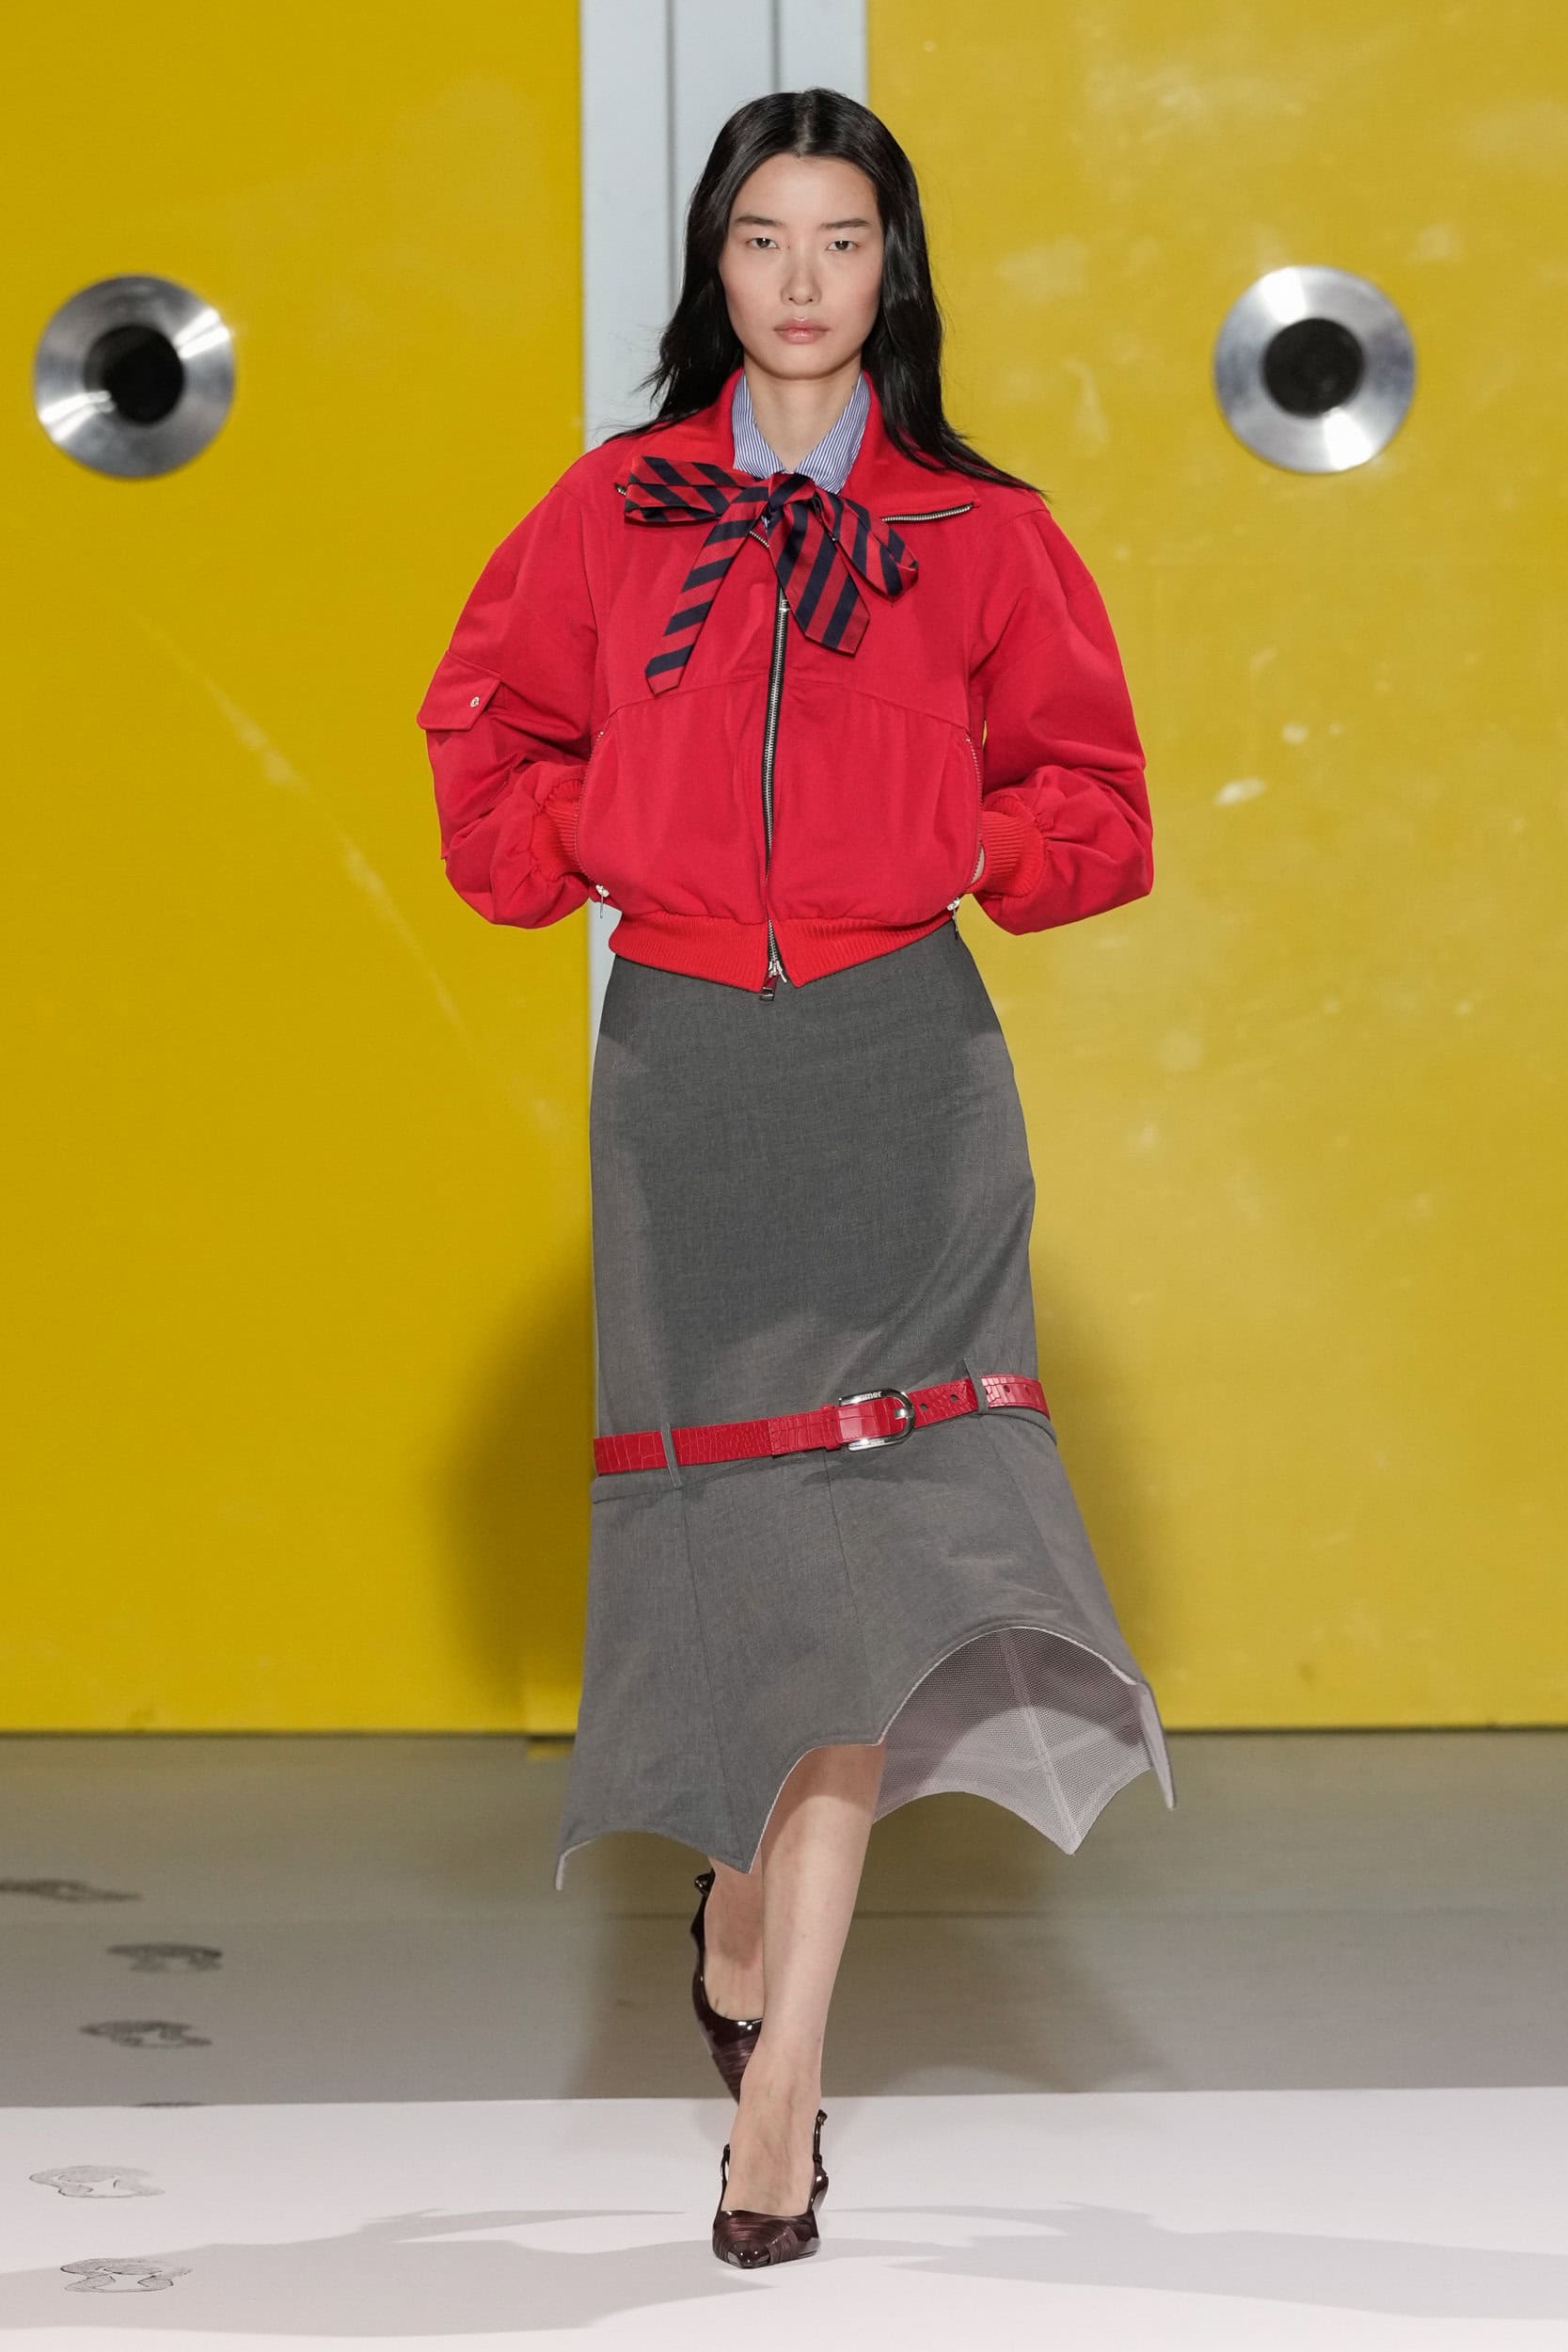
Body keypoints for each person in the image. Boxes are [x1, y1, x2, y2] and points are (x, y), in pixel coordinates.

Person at [417, 86, 1176, 2272]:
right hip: (682, 1075)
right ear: (716, 266)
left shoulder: (984, 534)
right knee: (736, 1545)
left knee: (851, 1556)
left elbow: (1103, 811)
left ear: (893, 269)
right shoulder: (612, 510)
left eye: (845, 239)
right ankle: (739, 1890)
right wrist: (596, 836)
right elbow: (485, 738)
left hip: (901, 1074)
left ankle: (784, 2092)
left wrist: (954, 840)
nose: (805, 279)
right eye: (765, 238)